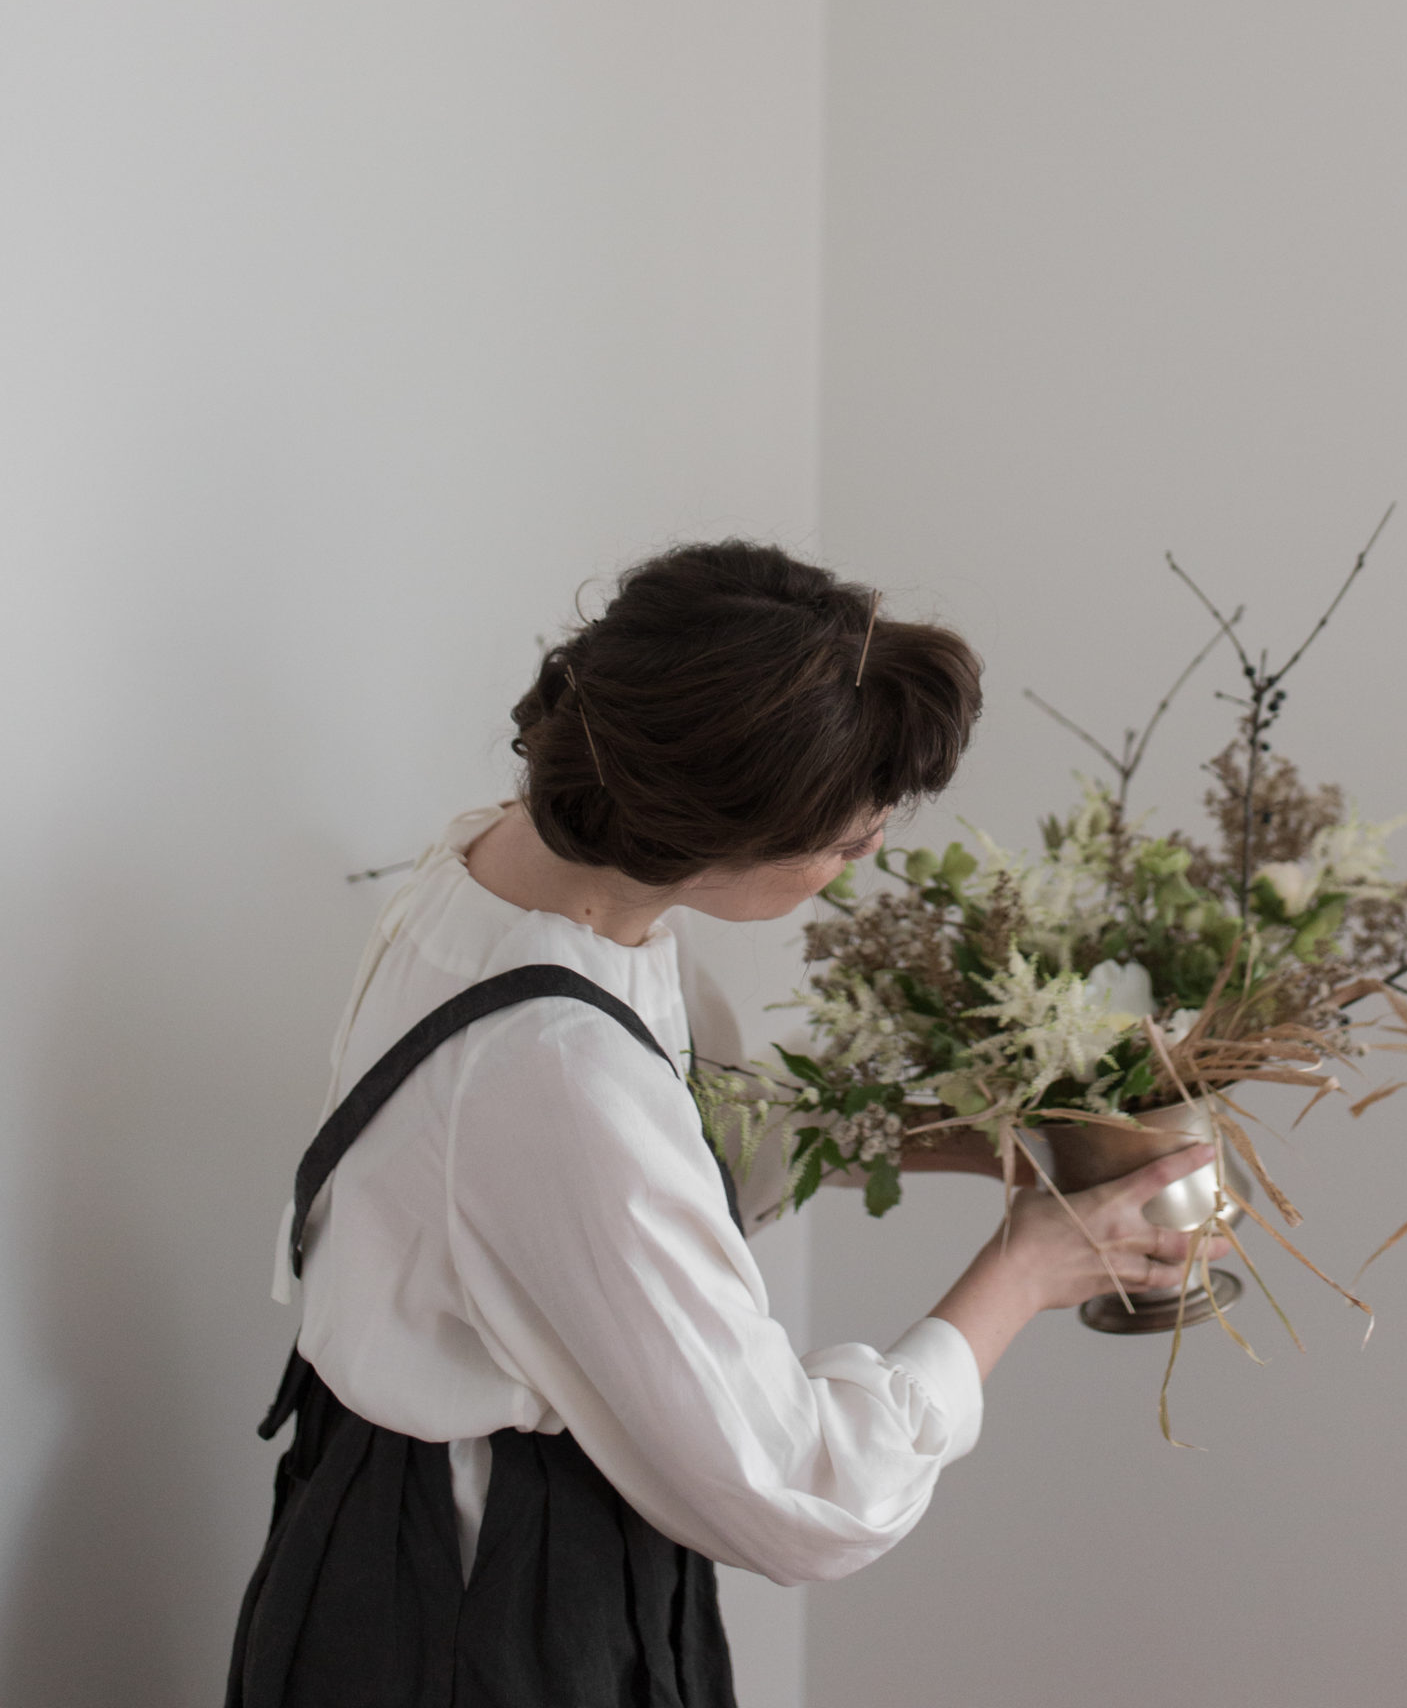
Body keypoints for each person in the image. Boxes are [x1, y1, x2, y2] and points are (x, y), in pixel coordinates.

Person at [226, 540, 1223, 1707]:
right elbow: (803, 1487)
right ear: (706, 835)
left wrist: (968, 1138)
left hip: (391, 1529)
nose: (871, 853)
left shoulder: (507, 872)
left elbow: (670, 1147)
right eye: (844, 842)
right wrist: (1026, 1269)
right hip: (481, 1608)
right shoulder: (554, 1070)